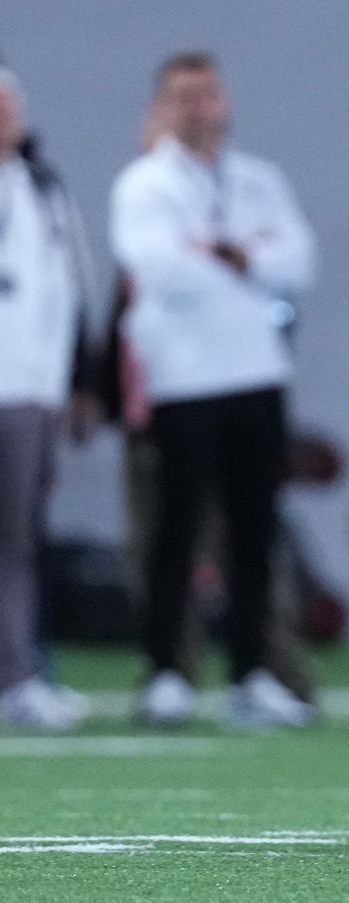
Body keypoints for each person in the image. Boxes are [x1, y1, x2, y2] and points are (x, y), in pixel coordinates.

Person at [110, 52, 316, 729]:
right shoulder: (144, 185)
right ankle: (168, 671)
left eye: (209, 95)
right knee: (176, 534)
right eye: (185, 97)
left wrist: (231, 254)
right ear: (164, 106)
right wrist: (247, 260)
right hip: (183, 381)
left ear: (225, 102)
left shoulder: (259, 180)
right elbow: (161, 268)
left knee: (256, 536)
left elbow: (299, 262)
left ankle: (252, 673)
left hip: (256, 376)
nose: (201, 108)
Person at [0, 64, 96, 730]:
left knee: (19, 540)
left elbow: (71, 291)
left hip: (28, 391)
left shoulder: (42, 188)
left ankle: (18, 673)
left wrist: (74, 384)